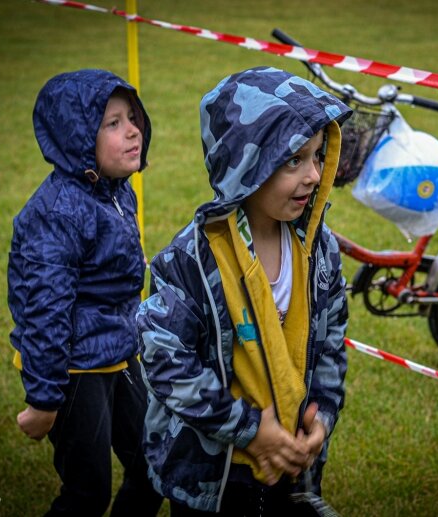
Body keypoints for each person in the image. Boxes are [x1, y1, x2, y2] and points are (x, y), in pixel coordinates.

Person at [136, 66, 352, 515]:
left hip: (291, 464)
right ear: (245, 167)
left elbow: (332, 345)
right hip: (213, 476)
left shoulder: (320, 250)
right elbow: (166, 362)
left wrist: (323, 418)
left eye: (317, 156)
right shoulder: (191, 261)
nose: (313, 175)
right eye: (293, 160)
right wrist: (249, 428)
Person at [7, 69, 163, 516]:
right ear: (78, 138)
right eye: (112, 123)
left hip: (117, 349)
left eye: (132, 118)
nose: (133, 130)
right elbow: (44, 311)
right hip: (72, 367)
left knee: (157, 465)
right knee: (86, 493)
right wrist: (43, 400)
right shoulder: (56, 214)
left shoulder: (116, 190)